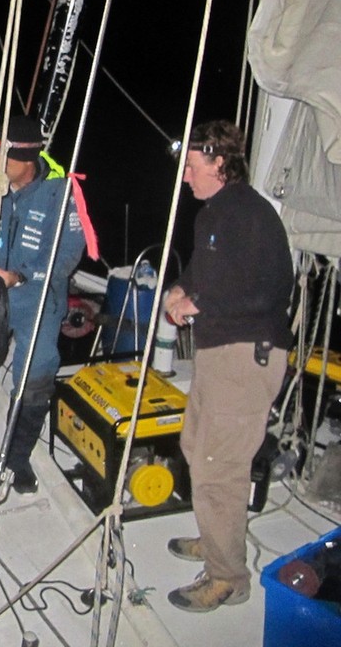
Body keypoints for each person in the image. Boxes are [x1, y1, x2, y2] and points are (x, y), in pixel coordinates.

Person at [163, 119, 293, 613]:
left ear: (219, 162)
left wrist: (200, 304)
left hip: (247, 353)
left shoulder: (251, 214)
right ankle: (216, 538)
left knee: (221, 465)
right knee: (197, 446)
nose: (186, 177)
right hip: (218, 353)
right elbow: (202, 272)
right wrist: (180, 289)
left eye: (193, 167)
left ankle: (227, 577)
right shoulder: (212, 215)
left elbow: (270, 289)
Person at [0, 116, 86, 492]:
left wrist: (21, 276)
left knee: (35, 379)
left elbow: (66, 255)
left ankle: (17, 459)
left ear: (28, 159)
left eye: (4, 158)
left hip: (38, 300)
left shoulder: (62, 193)